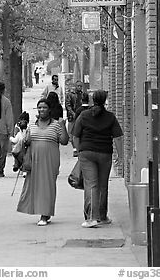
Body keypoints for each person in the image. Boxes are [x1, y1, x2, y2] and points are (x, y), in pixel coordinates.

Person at [73, 89, 124, 228]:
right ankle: (102, 216)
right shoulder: (110, 117)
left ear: (92, 100)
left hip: (87, 153)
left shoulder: (84, 115)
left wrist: (79, 152)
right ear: (105, 101)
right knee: (102, 185)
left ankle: (91, 218)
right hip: (105, 153)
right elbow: (118, 137)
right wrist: (121, 155)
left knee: (91, 184)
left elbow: (75, 136)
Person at [17, 98, 69, 226]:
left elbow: (64, 141)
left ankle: (45, 215)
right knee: (34, 186)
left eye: (44, 107)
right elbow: (27, 140)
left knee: (47, 186)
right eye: (39, 107)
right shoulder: (32, 125)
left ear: (49, 110)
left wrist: (63, 126)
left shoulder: (56, 125)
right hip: (34, 160)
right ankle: (40, 210)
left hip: (50, 160)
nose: (41, 110)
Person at [65, 80, 83, 157]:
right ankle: (74, 149)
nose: (79, 87)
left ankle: (78, 149)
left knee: (79, 133)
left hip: (80, 116)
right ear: (75, 86)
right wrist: (73, 113)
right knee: (71, 134)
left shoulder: (82, 95)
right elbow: (68, 105)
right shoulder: (70, 94)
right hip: (72, 117)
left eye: (81, 86)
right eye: (78, 86)